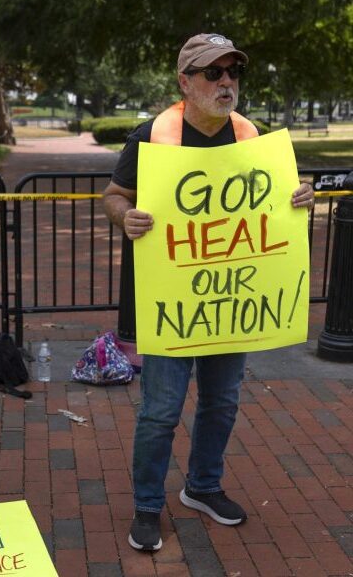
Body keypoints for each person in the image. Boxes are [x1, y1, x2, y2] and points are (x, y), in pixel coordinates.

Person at [103, 33, 315, 551]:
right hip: (171, 302)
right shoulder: (151, 136)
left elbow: (268, 204)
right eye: (212, 73)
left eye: (232, 72)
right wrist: (123, 217)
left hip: (231, 303)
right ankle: (148, 506)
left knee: (221, 402)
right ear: (185, 81)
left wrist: (297, 198)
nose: (226, 82)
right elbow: (114, 196)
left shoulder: (249, 136)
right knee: (161, 409)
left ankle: (202, 487)